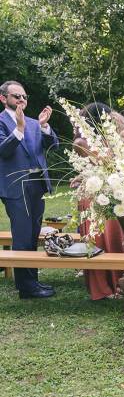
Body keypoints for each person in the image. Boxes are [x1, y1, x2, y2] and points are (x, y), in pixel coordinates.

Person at [0, 80, 59, 299]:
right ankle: (27, 287)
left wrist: (44, 125)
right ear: (3, 98)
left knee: (33, 233)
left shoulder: (35, 122)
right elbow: (3, 151)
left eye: (24, 97)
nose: (22, 100)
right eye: (17, 96)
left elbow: (52, 146)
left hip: (36, 184)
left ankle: (31, 281)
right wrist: (19, 129)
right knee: (22, 234)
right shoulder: (1, 122)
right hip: (16, 186)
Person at [75, 102, 124, 300]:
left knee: (108, 239)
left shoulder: (104, 141)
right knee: (103, 239)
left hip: (104, 192)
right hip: (100, 193)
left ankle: (113, 284)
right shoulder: (87, 143)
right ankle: (109, 285)